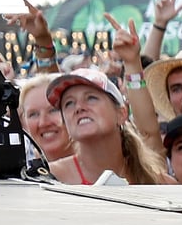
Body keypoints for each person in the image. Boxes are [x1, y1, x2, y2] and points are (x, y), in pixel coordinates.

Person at [41, 67, 172, 185]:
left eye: (91, 98)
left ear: (121, 114)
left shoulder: (159, 183)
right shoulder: (49, 179)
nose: (79, 108)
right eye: (69, 103)